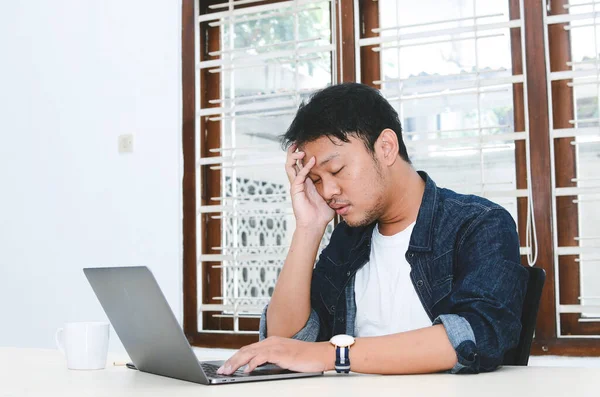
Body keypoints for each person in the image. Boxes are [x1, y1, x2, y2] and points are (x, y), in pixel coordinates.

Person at [217, 82, 529, 376]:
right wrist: (308, 227)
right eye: (316, 180)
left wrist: (332, 354)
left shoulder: (479, 223)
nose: (327, 191)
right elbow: (284, 343)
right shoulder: (350, 238)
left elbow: (476, 335)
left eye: (336, 170)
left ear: (386, 147)